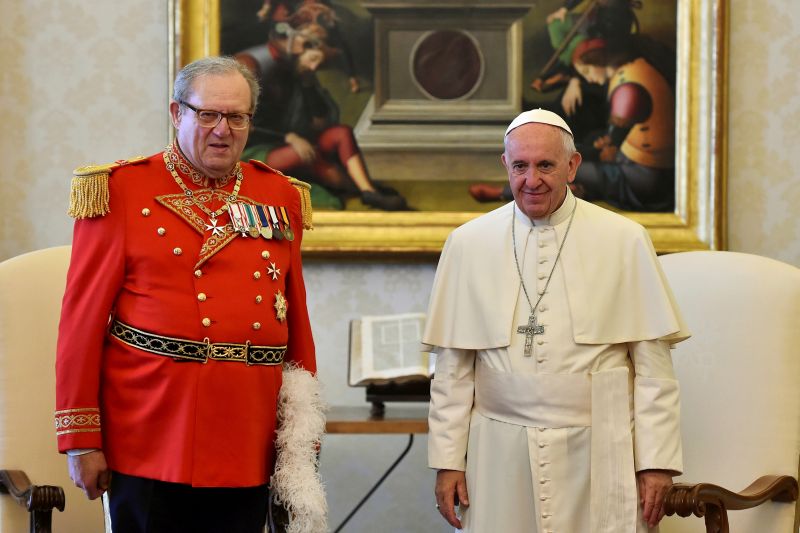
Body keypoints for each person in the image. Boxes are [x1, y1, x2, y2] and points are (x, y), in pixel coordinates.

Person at [55, 56, 325, 533]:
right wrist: (81, 438)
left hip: (248, 430)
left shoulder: (279, 194)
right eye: (208, 114)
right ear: (177, 113)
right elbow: (82, 322)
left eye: (237, 117)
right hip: (152, 431)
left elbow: (294, 318)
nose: (223, 129)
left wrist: (301, 435)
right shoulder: (119, 190)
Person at [424, 108, 688, 532]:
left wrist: (655, 463)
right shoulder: (468, 243)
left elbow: (654, 370)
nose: (532, 180)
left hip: (601, 448)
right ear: (505, 165)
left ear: (573, 165)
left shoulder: (624, 239)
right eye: (520, 166)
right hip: (497, 449)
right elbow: (453, 371)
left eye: (546, 165)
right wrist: (447, 460)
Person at [235, 16, 408, 211]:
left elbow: (321, 122)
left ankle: (367, 191)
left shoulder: (297, 71)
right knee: (311, 157)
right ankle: (360, 189)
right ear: (295, 42)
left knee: (340, 133)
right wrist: (288, 137)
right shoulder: (252, 64)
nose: (315, 66)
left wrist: (308, 87)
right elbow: (239, 121)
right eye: (313, 57)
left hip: (293, 142)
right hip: (257, 148)